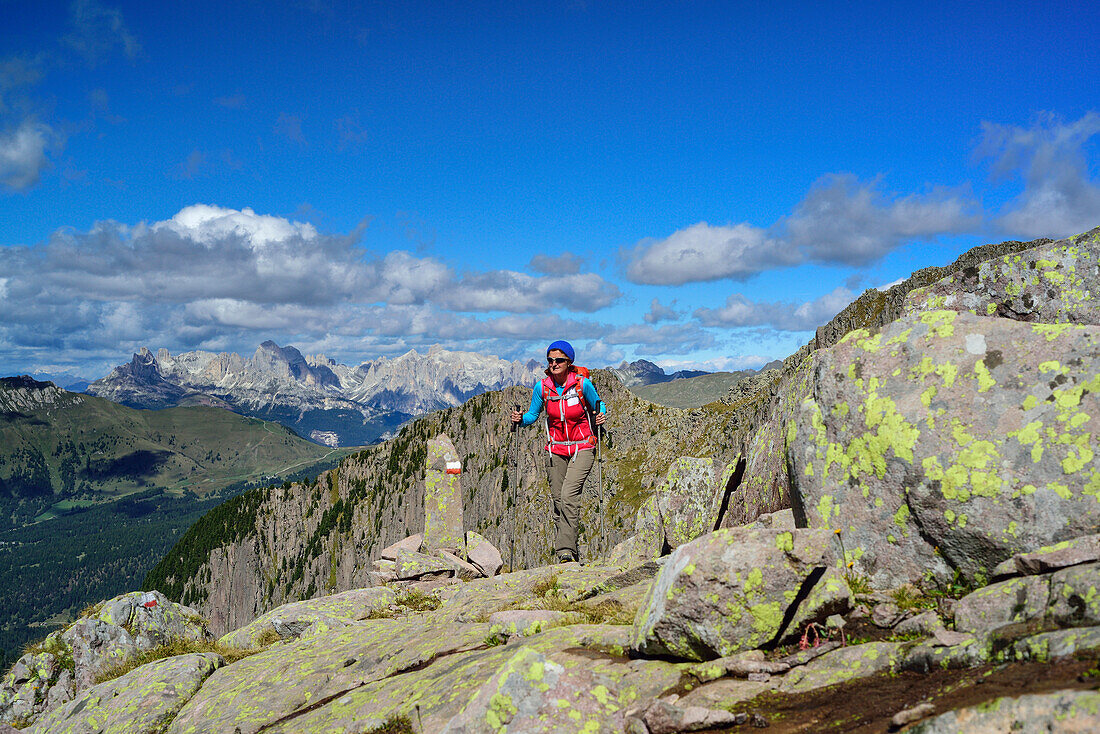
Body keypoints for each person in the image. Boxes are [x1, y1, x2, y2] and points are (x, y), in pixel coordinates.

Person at [511, 340, 605, 563]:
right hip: (555, 450)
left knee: (568, 495)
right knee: (558, 502)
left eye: (559, 360)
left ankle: (564, 550)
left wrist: (601, 415)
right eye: (550, 360)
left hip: (583, 446)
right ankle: (570, 554)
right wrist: (520, 420)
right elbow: (533, 416)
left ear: (569, 362)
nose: (554, 364)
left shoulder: (582, 385)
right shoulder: (542, 388)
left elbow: (598, 404)